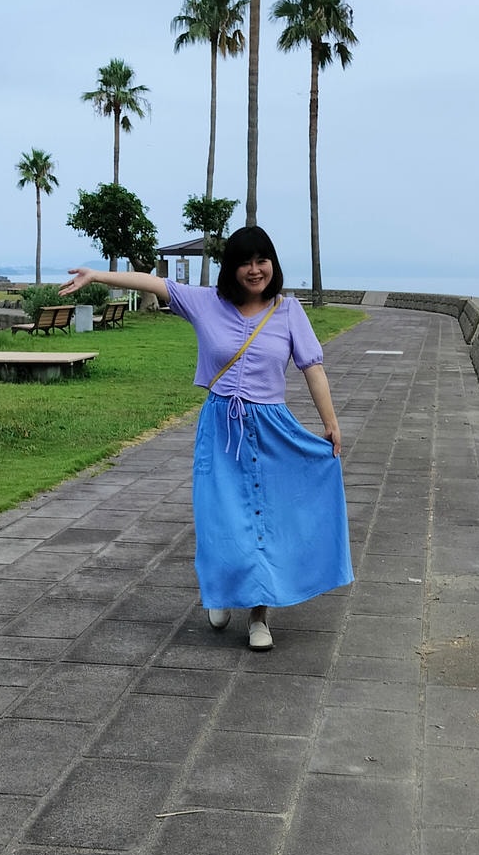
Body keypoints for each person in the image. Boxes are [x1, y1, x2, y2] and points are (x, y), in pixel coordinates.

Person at [61, 226, 353, 649]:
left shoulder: (288, 312)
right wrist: (98, 276)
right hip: (220, 429)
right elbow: (154, 283)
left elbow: (313, 367)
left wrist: (330, 422)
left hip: (272, 428)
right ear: (231, 268)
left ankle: (259, 617)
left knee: (266, 518)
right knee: (220, 516)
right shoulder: (206, 304)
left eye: (261, 260)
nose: (255, 271)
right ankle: (222, 587)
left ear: (273, 263)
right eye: (245, 263)